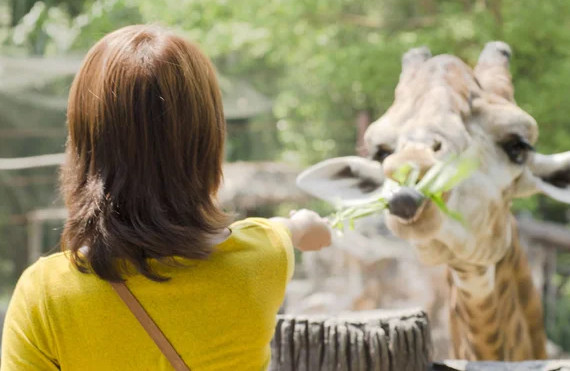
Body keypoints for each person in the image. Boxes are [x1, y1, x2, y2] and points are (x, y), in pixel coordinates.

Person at [0, 24, 332, 371]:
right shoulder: (263, 260)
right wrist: (305, 226)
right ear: (207, 141)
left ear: (85, 144)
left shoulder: (44, 297)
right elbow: (286, 230)